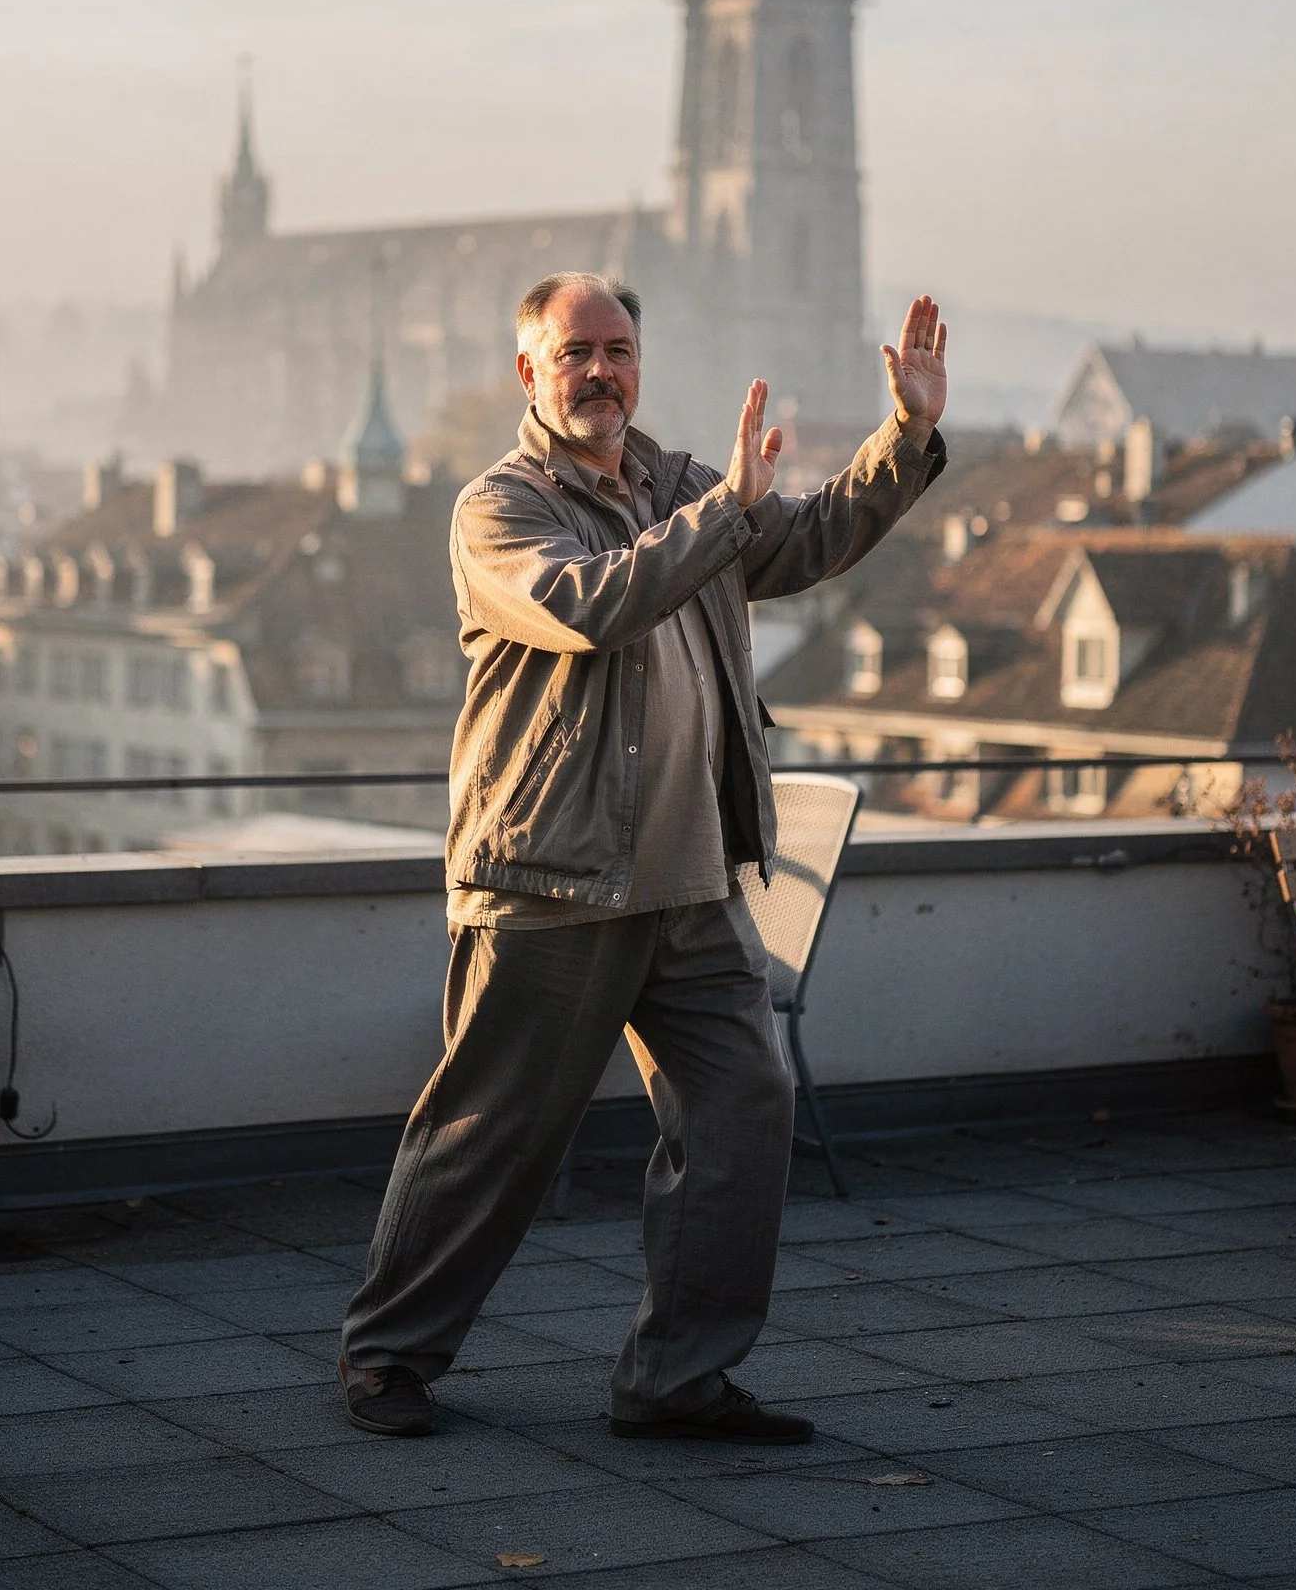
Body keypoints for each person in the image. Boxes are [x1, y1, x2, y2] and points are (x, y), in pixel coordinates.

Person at [339, 273, 947, 1441]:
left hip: (689, 877)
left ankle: (678, 1377)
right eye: (574, 351)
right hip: (550, 876)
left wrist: (904, 433)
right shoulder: (499, 506)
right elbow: (589, 602)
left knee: (743, 1105)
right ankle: (385, 1355)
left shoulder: (679, 485)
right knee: (489, 1131)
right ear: (528, 371)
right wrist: (724, 514)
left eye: (617, 349)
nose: (599, 370)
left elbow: (809, 537)